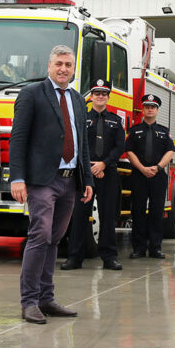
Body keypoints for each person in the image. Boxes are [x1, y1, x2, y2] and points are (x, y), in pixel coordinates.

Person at [9, 45, 94, 324]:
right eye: (59, 63)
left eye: (68, 65)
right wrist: (18, 178)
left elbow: (83, 143)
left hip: (69, 182)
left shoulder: (79, 100)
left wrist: (87, 180)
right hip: (42, 180)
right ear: (49, 66)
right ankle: (29, 301)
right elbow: (18, 138)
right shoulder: (31, 94)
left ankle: (47, 298)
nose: (63, 69)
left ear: (73, 68)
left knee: (55, 239)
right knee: (40, 235)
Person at [61, 78, 126, 271]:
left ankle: (109, 257)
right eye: (97, 93)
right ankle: (75, 257)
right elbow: (77, 144)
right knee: (80, 215)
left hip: (108, 173)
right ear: (91, 96)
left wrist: (104, 164)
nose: (100, 96)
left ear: (108, 97)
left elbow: (120, 146)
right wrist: (89, 168)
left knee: (108, 217)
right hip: (85, 174)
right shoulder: (81, 119)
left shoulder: (116, 121)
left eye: (104, 94)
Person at [125, 94, 175, 259]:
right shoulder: (134, 130)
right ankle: (139, 248)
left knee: (156, 211)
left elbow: (170, 151)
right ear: (143, 109)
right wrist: (141, 168)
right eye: (146, 106)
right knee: (138, 211)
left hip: (157, 176)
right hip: (139, 176)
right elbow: (129, 151)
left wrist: (159, 167)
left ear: (157, 110)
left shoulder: (164, 131)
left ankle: (155, 247)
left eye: (152, 107)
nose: (149, 109)